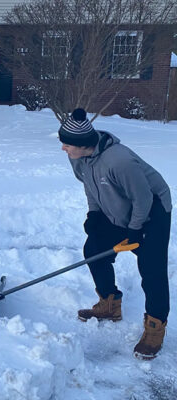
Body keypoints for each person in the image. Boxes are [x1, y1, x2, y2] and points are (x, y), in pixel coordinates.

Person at [60, 108, 171, 360]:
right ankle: (110, 304)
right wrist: (94, 215)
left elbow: (143, 198)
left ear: (81, 143)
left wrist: (135, 230)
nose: (63, 149)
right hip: (119, 206)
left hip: (152, 210)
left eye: (67, 144)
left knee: (151, 268)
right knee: (94, 250)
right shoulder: (77, 158)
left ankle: (155, 326)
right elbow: (90, 186)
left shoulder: (119, 161)